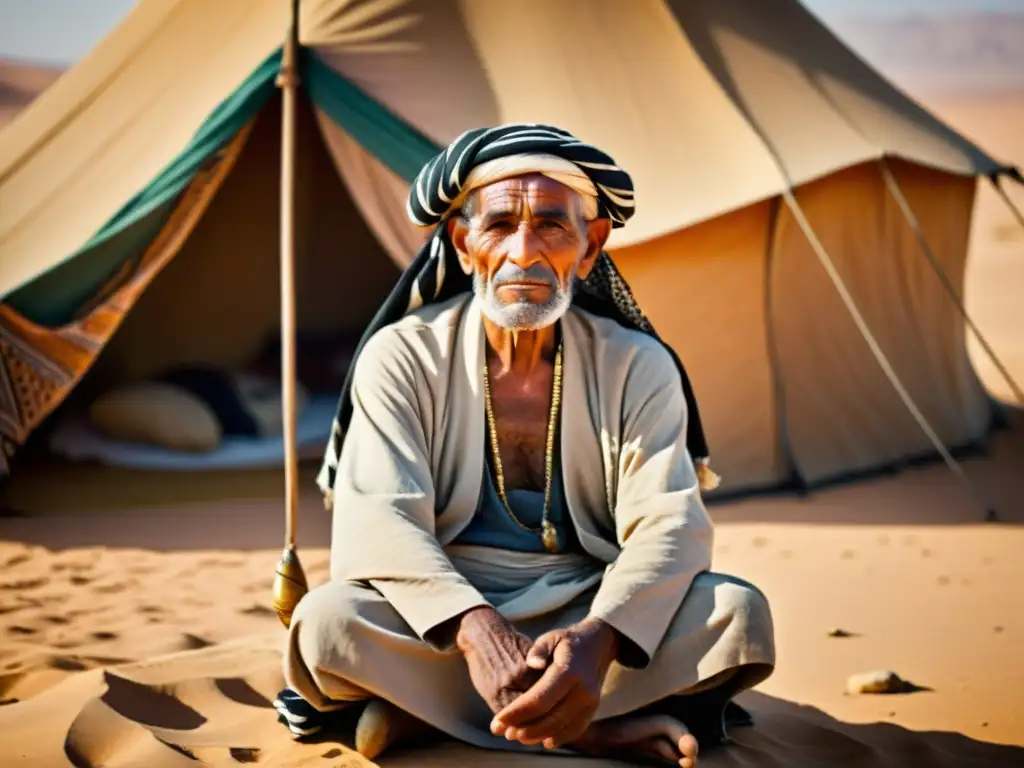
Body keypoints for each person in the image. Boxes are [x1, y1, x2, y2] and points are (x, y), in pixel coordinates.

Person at [274, 124, 775, 767]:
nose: (523, 252)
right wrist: (476, 630)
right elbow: (380, 520)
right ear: (463, 244)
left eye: (551, 227)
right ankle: (588, 727)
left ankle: (438, 715)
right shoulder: (401, 356)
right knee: (326, 626)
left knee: (738, 615)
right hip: (442, 612)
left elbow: (668, 526)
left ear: (590, 248)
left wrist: (598, 641)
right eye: (500, 225)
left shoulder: (638, 365)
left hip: (590, 602)